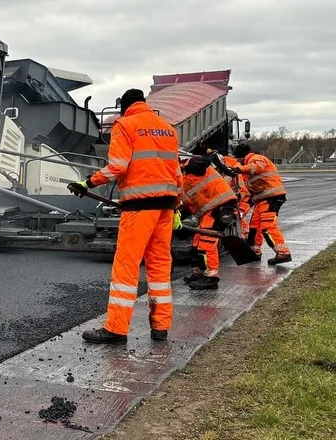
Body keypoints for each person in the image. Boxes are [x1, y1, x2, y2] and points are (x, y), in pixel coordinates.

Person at [68, 88, 181, 344]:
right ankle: (161, 326)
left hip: (139, 208)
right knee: (160, 266)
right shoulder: (168, 129)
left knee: (127, 266)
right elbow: (176, 173)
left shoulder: (125, 125)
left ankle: (116, 329)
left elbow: (118, 166)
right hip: (165, 207)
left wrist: (88, 183)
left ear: (124, 107)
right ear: (144, 103)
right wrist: (177, 207)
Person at [211, 144, 291, 265]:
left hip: (271, 198)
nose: (238, 163)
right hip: (262, 199)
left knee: (268, 227)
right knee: (254, 226)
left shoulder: (255, 158)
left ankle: (283, 253)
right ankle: (255, 250)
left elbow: (256, 167)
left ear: (242, 156)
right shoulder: (249, 163)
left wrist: (239, 169)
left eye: (238, 159)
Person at [176, 155, 240, 290]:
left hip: (221, 206)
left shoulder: (190, 165)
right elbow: (188, 204)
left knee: (207, 244)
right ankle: (199, 273)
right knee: (197, 243)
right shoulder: (181, 180)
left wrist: (189, 167)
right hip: (210, 210)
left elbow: (205, 160)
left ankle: (211, 277)